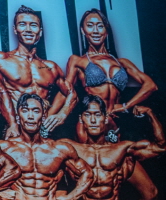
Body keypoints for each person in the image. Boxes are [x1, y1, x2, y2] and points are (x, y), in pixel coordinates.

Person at [65, 9, 158, 141]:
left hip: (114, 122)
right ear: (83, 30)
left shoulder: (122, 62)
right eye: (90, 26)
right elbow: (66, 91)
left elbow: (151, 85)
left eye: (100, 26)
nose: (95, 31)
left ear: (106, 31)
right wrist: (58, 114)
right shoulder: (78, 60)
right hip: (91, 123)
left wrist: (126, 106)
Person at [0, 6, 74, 137]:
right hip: (15, 128)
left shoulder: (50, 67)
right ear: (15, 29)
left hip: (43, 130)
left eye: (33, 25)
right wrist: (2, 108)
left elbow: (70, 93)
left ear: (40, 31)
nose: (28, 29)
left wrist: (61, 114)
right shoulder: (0, 59)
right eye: (22, 24)